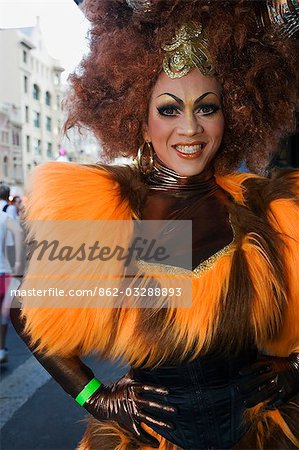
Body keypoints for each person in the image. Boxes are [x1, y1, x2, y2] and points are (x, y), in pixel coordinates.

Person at [10, 0, 299, 449]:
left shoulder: (265, 208)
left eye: (207, 108)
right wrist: (96, 397)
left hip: (261, 435)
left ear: (232, 115)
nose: (190, 128)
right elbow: (26, 312)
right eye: (168, 109)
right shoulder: (112, 209)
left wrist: (295, 370)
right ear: (140, 121)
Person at [0, 211, 23, 363]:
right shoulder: (5, 217)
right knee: (4, 314)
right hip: (5, 271)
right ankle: (1, 349)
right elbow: (19, 233)